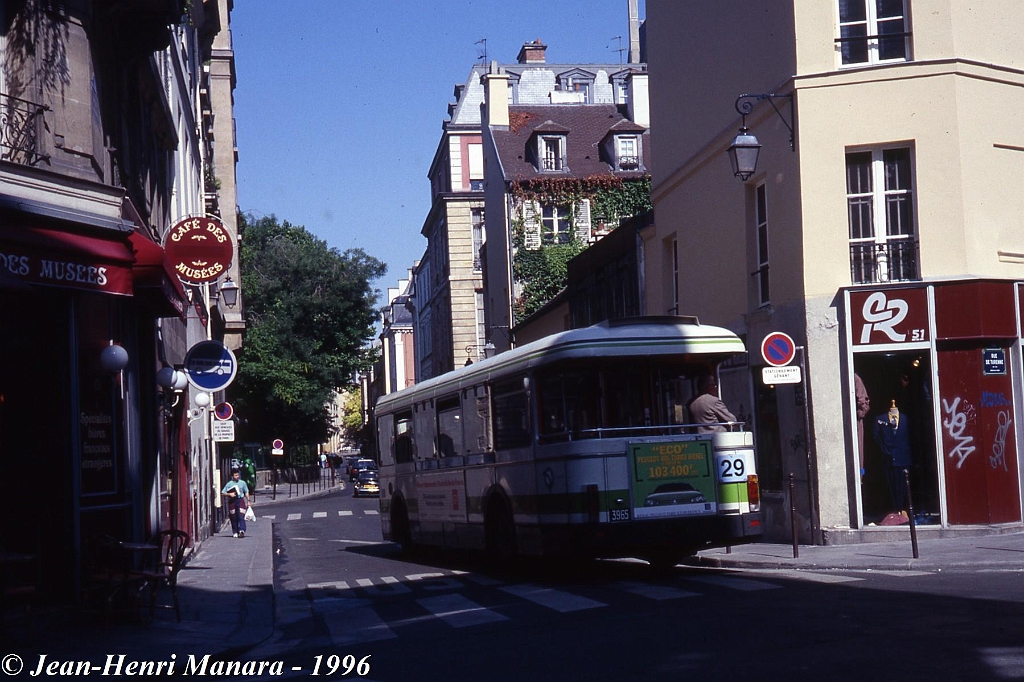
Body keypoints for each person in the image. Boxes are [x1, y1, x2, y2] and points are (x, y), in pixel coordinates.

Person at [872, 399, 912, 513]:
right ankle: (894, 510)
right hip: (888, 458)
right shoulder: (880, 419)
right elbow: (876, 437)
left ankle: (901, 509)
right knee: (891, 485)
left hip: (903, 458)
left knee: (903, 486)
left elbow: (910, 436)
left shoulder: (905, 419)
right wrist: (884, 450)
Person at [222, 469, 250, 538]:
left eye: (238, 475)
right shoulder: (229, 484)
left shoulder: (243, 483)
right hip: (232, 501)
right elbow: (222, 493)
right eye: (235, 475)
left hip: (240, 500)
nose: (237, 476)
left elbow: (246, 491)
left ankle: (242, 530)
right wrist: (229, 494)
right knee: (233, 517)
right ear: (232, 476)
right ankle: (235, 531)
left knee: (241, 515)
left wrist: (248, 500)